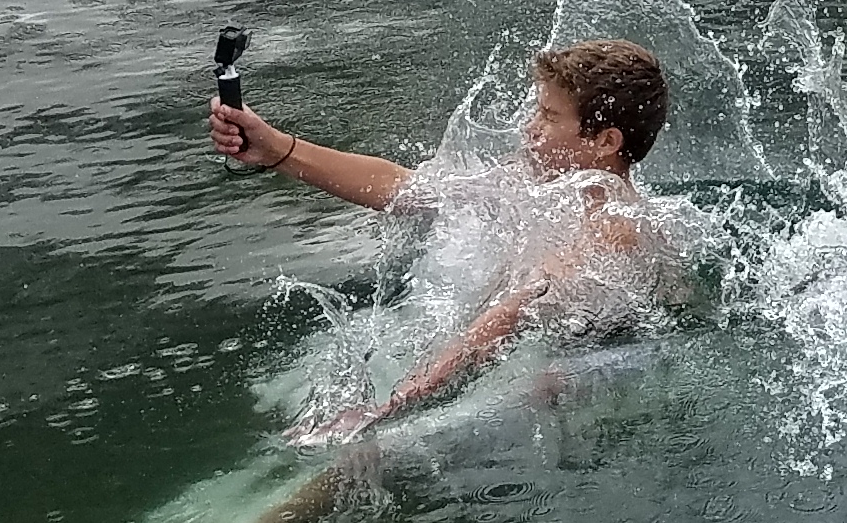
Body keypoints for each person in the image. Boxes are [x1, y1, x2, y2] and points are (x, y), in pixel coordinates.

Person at [210, 37, 680, 443]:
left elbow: (511, 313)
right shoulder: (536, 188)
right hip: (520, 350)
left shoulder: (614, 230)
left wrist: (391, 407)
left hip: (590, 370)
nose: (529, 128)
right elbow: (408, 190)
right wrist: (277, 149)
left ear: (606, 142)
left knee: (368, 449)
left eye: (549, 116)